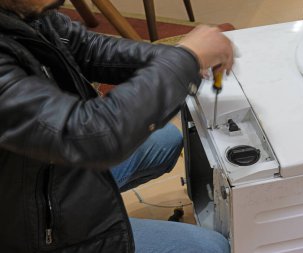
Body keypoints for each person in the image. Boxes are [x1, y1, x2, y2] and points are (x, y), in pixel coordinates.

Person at [0, 0, 234, 252]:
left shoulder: (22, 10)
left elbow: (85, 48)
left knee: (165, 140)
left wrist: (181, 56)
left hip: (43, 169)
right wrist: (184, 60)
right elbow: (89, 136)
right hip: (21, 228)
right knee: (210, 248)